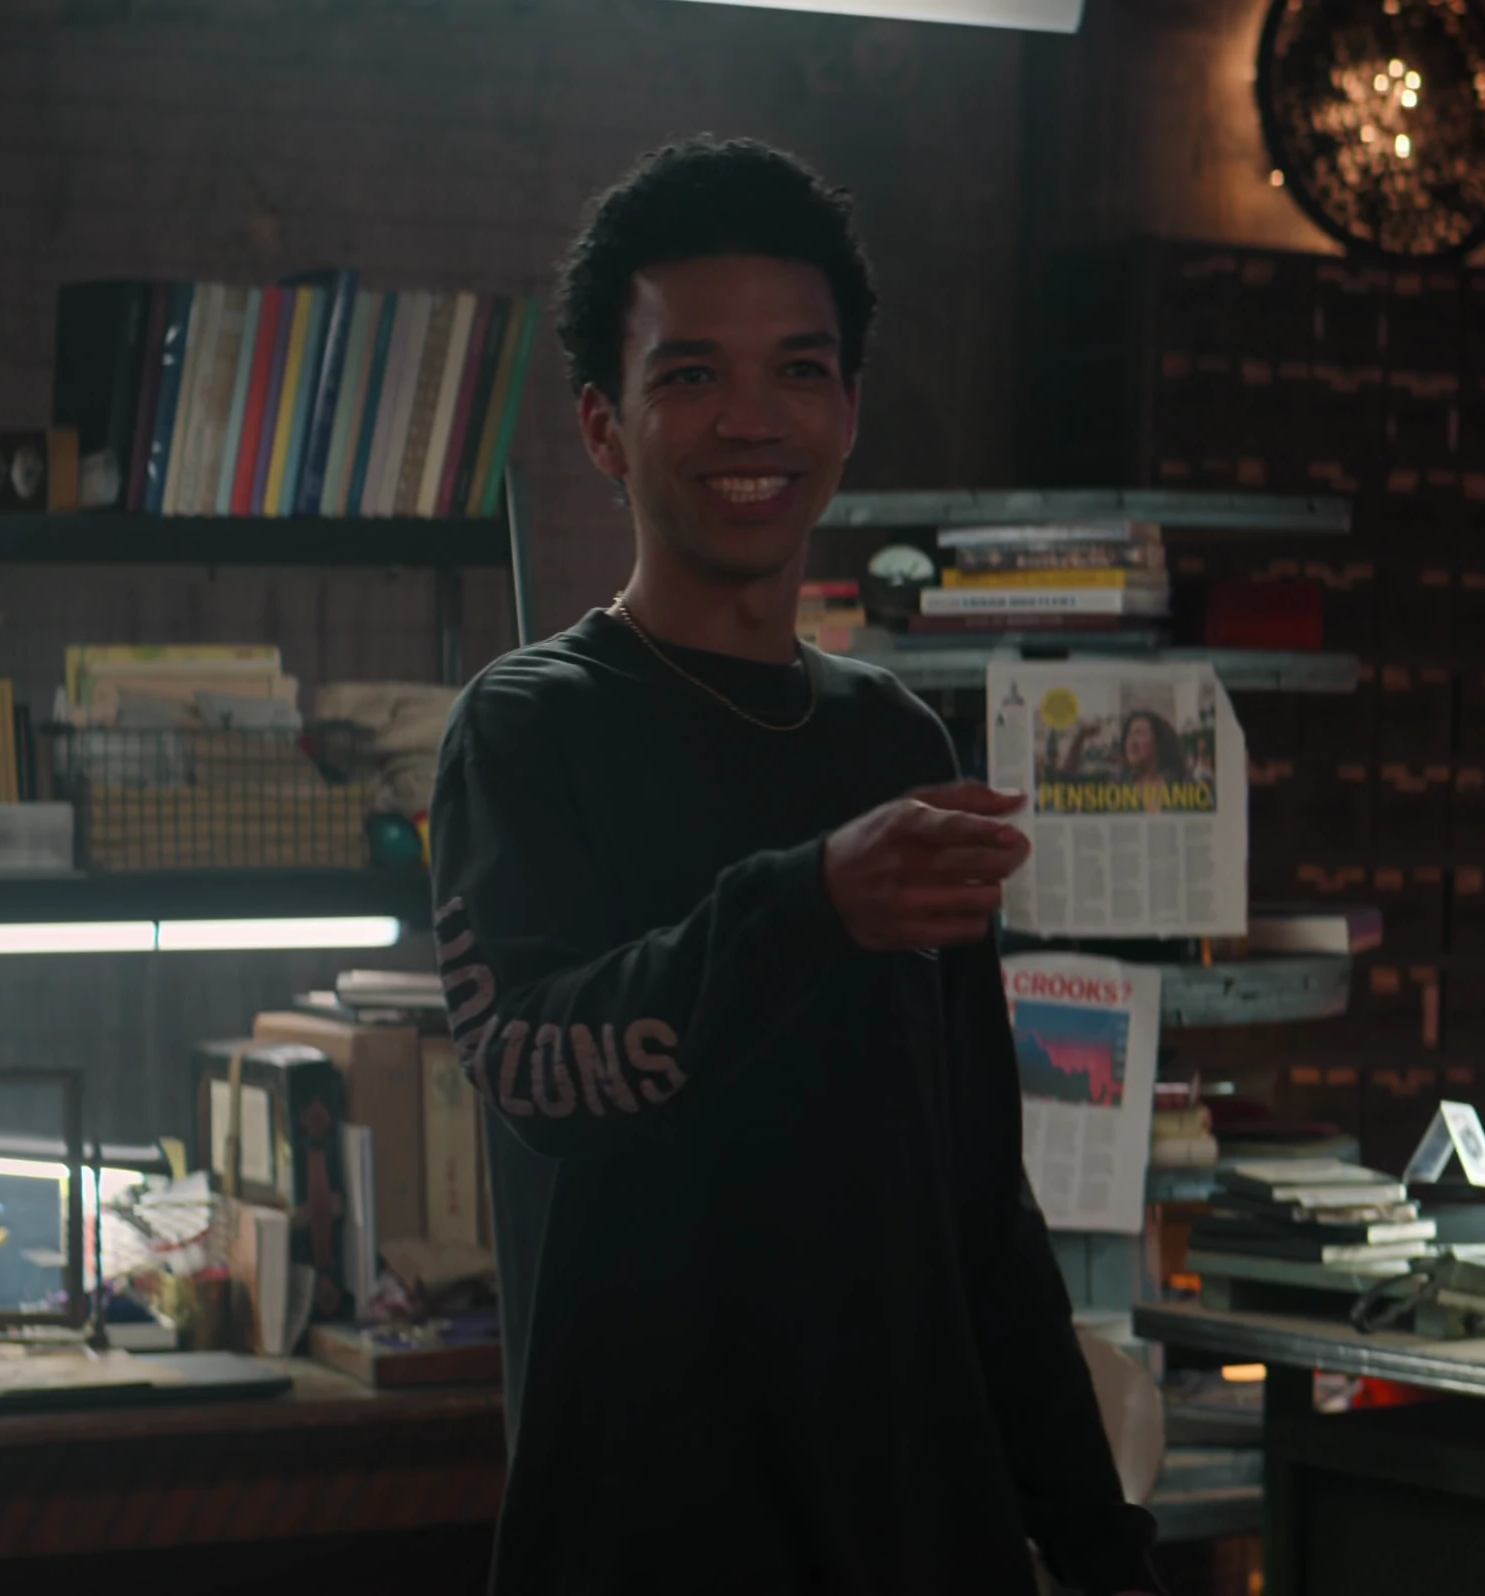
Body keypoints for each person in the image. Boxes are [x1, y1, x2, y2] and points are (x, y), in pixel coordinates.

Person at [427, 137, 1159, 1595]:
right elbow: (536, 1073)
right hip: (650, 1542)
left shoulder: (893, 739)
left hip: (917, 1537)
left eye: (800, 370)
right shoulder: (527, 727)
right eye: (691, 373)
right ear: (603, 425)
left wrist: (1099, 1546)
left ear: (850, 408)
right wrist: (805, 904)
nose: (752, 419)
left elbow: (978, 1205)